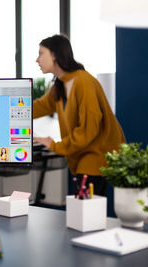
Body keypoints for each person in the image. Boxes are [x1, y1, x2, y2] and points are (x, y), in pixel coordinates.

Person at [34, 34, 125, 196]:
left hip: (95, 156)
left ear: (54, 55)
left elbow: (88, 130)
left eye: (41, 53)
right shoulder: (61, 84)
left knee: (87, 214)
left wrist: (55, 145)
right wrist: (6, 113)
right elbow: (41, 107)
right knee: (83, 212)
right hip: (82, 155)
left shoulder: (83, 82)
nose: (37, 59)